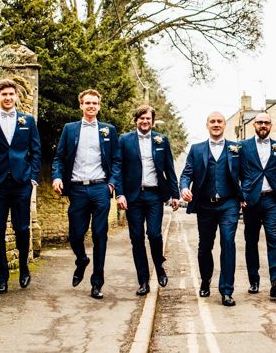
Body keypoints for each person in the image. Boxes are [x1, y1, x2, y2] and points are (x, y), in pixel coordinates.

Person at [52, 89, 120, 300]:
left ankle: (97, 283)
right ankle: (81, 259)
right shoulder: (69, 129)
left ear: (99, 106)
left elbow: (117, 161)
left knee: (100, 236)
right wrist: (56, 176)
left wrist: (111, 184)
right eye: (87, 103)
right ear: (81, 105)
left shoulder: (109, 130)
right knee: (75, 234)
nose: (91, 106)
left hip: (100, 188)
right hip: (77, 189)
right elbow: (59, 157)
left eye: (95, 103)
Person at [0, 78, 41, 294]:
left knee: (22, 229)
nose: (8, 98)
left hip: (22, 183)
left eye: (11, 94)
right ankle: (1, 278)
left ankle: (23, 268)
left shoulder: (28, 121)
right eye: (4, 94)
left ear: (16, 97)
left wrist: (32, 177)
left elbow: (36, 151)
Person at [115, 105, 180, 296]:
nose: (145, 121)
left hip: (154, 195)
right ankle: (143, 281)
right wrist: (120, 193)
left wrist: (175, 195)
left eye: (148, 119)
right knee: (136, 239)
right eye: (142, 118)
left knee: (154, 234)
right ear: (136, 120)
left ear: (152, 121)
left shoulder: (162, 140)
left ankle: (159, 266)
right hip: (133, 196)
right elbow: (118, 168)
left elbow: (169, 169)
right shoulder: (124, 140)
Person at [180, 112, 243, 307]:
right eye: (212, 121)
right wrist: (184, 188)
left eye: (219, 121)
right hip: (205, 204)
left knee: (228, 242)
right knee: (205, 246)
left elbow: (247, 174)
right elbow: (186, 173)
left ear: (225, 125)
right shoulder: (197, 149)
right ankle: (206, 279)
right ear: (207, 125)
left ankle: (226, 290)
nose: (216, 124)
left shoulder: (236, 148)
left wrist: (245, 196)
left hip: (229, 203)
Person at [238, 112, 276, 298]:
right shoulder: (242, 146)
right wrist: (240, 196)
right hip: (250, 200)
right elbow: (236, 173)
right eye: (259, 122)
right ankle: (254, 280)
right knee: (251, 242)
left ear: (271, 125)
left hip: (272, 200)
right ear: (254, 125)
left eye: (266, 122)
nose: (263, 125)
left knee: (273, 238)